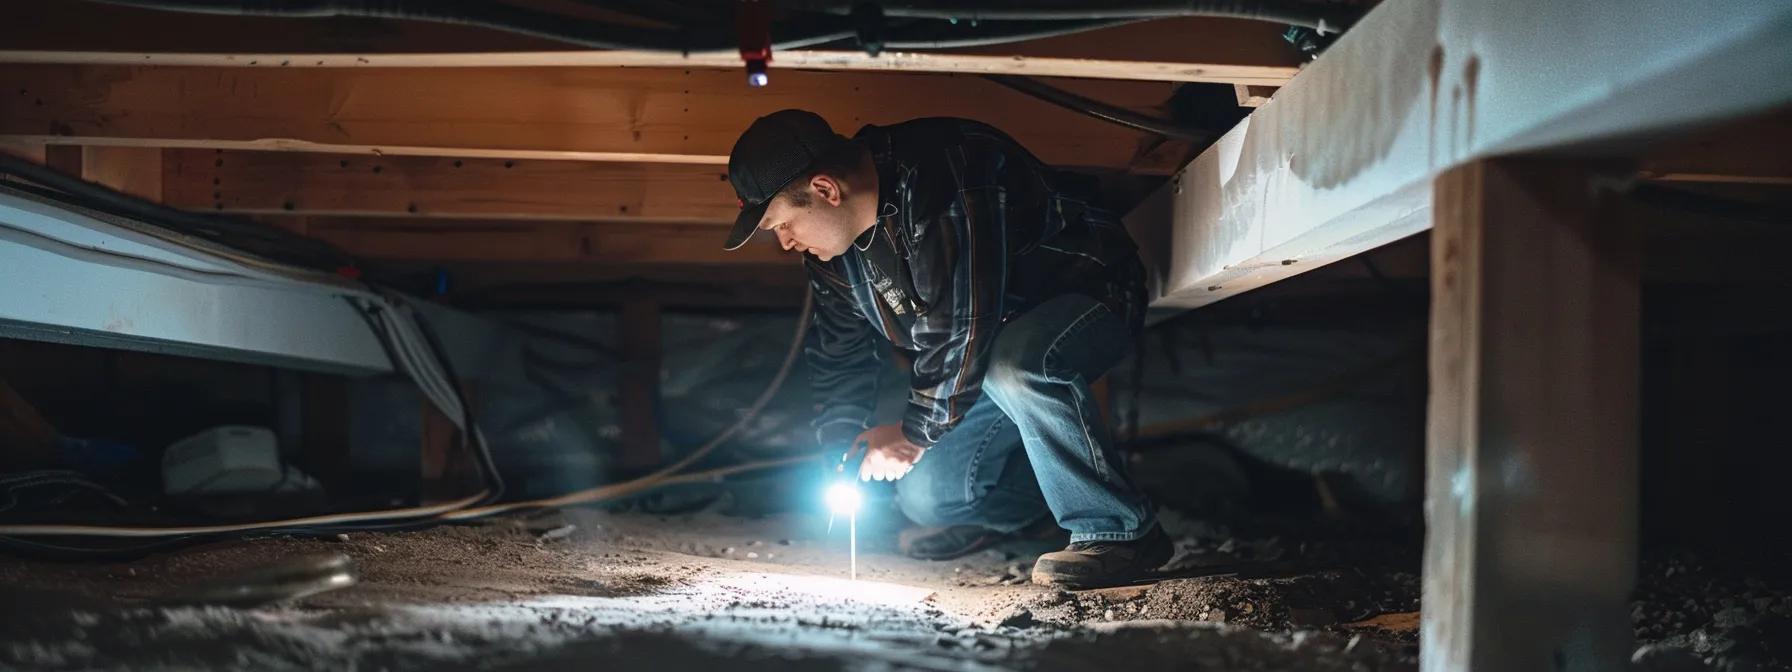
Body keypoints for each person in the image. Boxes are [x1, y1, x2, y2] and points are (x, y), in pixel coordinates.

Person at [722, 109, 1168, 588]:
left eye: (782, 224)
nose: (786, 243)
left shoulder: (944, 171)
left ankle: (1119, 530)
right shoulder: (833, 256)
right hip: (981, 364)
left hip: (1087, 302)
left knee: (1014, 364)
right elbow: (840, 354)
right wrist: (840, 445)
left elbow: (963, 320)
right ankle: (1051, 505)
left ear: (826, 190)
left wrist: (914, 434)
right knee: (928, 497)